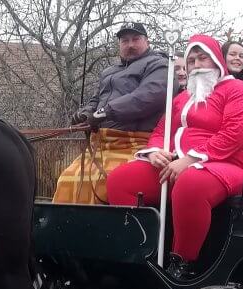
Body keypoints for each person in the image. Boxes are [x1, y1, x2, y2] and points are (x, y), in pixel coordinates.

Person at [106, 34, 243, 279]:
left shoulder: (238, 90)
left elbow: (234, 134)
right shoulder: (182, 98)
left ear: (217, 62)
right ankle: (137, 254)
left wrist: (191, 159)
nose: (197, 65)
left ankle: (183, 263)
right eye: (192, 61)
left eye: (203, 59)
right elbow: (161, 131)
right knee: (121, 180)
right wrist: (157, 151)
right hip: (179, 163)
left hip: (233, 165)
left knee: (191, 183)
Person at [54, 22, 169, 204]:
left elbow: (148, 96)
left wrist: (106, 112)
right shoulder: (109, 72)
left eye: (135, 39)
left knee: (103, 181)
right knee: (67, 178)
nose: (130, 44)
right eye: (125, 40)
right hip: (102, 145)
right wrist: (85, 114)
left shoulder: (160, 65)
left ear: (147, 41)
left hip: (136, 144)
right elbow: (96, 100)